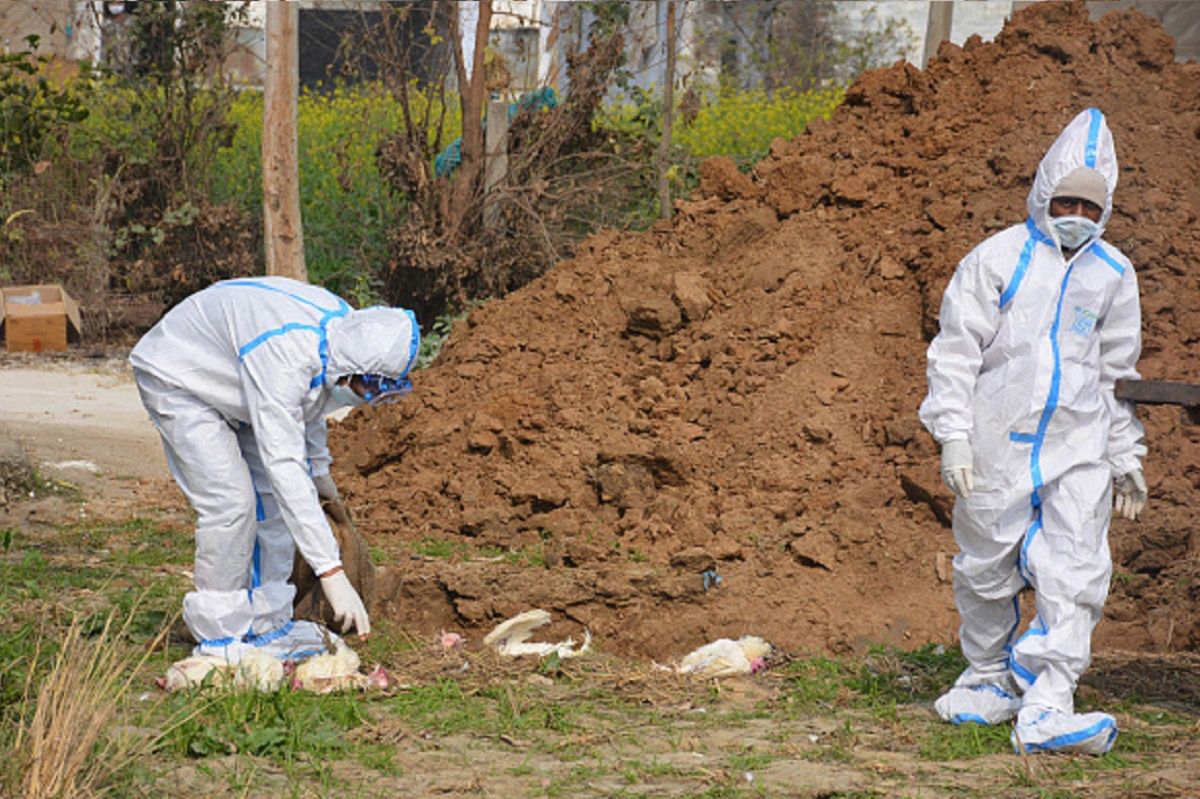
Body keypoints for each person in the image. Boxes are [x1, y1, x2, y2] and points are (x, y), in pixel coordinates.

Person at [919, 108, 1146, 756]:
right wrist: (954, 434)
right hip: (999, 435)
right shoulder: (998, 258)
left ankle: (1049, 701)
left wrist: (1125, 456)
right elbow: (956, 351)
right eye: (1066, 200)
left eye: (1090, 205)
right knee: (985, 564)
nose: (1076, 214)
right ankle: (988, 675)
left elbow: (1115, 373)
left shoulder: (1112, 273)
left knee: (1076, 566)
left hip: (1078, 441)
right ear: (1046, 193)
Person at [130, 276, 419, 664]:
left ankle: (269, 625)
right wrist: (331, 573)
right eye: (366, 389)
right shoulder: (287, 355)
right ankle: (219, 638)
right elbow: (283, 462)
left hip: (238, 378)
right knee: (231, 503)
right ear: (352, 369)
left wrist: (323, 482)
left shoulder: (343, 340)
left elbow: (310, 410)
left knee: (274, 507)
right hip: (182, 376)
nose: (364, 398)